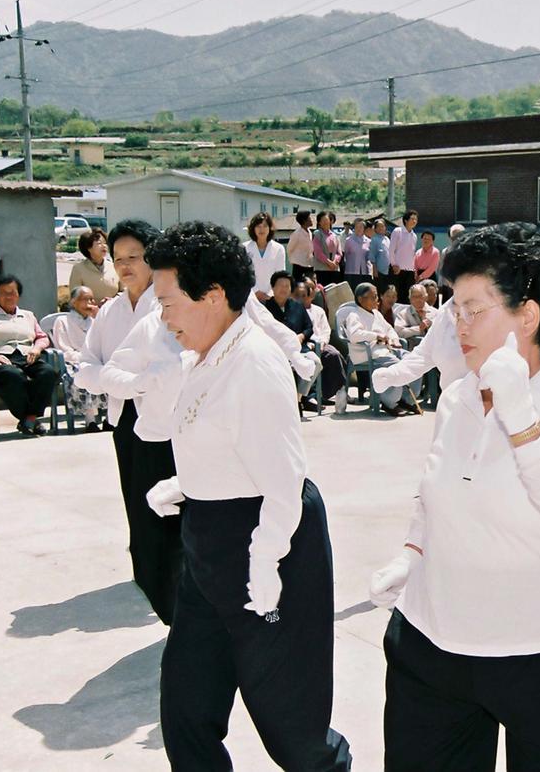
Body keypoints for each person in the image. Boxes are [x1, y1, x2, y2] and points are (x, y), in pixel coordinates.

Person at [368, 222, 540, 772]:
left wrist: (522, 417)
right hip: (436, 642)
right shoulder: (456, 398)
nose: (459, 325)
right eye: (455, 309)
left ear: (527, 316)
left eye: (474, 309)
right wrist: (410, 555)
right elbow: (434, 493)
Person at [140, 221, 352, 770]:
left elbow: (283, 479)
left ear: (212, 298)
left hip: (267, 541)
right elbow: (220, 440)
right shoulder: (208, 353)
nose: (162, 317)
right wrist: (188, 486)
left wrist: (264, 562)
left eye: (167, 302)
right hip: (209, 546)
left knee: (293, 728)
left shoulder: (254, 364)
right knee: (186, 706)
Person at [74, 219, 181, 624]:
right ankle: (150, 582)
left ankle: (175, 592)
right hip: (125, 417)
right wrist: (126, 383)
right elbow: (85, 366)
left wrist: (119, 380)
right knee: (137, 503)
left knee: (169, 505)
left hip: (168, 421)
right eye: (117, 259)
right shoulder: (111, 313)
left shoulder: (168, 304)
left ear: (152, 259)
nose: (125, 266)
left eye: (134, 257)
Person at [0, 275, 57, 436]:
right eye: (4, 293)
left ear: (18, 294)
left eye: (13, 292)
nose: (9, 297)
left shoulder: (28, 315)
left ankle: (29, 418)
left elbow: (42, 337)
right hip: (0, 357)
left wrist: (36, 349)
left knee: (48, 372)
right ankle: (29, 419)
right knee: (13, 375)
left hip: (27, 356)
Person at [343, 283, 419, 416]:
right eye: (372, 297)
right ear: (361, 299)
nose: (376, 299)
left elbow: (389, 329)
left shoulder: (376, 313)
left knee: (414, 361)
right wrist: (376, 336)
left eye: (376, 296)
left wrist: (394, 340)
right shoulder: (353, 315)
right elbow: (354, 335)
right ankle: (389, 401)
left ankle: (406, 399)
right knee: (397, 367)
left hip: (387, 349)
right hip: (371, 353)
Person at [50, 286, 108, 429]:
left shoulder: (94, 321)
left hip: (94, 359)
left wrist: (99, 317)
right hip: (72, 361)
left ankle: (109, 418)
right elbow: (63, 348)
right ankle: (90, 420)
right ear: (74, 302)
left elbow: (103, 343)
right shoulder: (62, 321)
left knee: (109, 371)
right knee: (85, 371)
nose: (90, 303)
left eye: (92, 299)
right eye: (86, 299)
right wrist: (83, 357)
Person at [265, 271, 323, 409]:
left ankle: (297, 397)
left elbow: (309, 327)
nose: (284, 289)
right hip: (275, 350)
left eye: (287, 285)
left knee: (316, 362)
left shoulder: (297, 306)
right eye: (280, 285)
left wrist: (302, 336)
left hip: (298, 348)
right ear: (273, 287)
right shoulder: (265, 307)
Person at [298, 279, 350, 412]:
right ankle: (309, 397)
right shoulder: (295, 310)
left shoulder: (318, 310)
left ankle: (332, 392)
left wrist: (322, 342)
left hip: (320, 343)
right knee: (312, 360)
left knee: (334, 355)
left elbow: (326, 331)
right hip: (306, 345)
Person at [242, 211, 287, 303]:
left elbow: (280, 275)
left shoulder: (278, 248)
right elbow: (243, 274)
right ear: (253, 228)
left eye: (265, 226)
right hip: (249, 297)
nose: (261, 229)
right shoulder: (244, 248)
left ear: (270, 228)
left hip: (272, 297)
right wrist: (256, 292)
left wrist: (269, 294)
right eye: (258, 226)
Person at [68, 229, 120, 305]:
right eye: (99, 243)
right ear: (88, 248)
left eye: (105, 243)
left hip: (113, 310)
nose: (104, 246)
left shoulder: (114, 266)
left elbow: (125, 290)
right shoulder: (78, 269)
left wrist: (113, 300)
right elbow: (75, 296)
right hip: (89, 313)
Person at [389, 210, 419, 302]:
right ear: (405, 220)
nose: (414, 221)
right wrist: (393, 264)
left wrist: (414, 269)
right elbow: (391, 250)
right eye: (412, 219)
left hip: (410, 271)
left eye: (416, 219)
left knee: (408, 297)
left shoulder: (414, 236)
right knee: (397, 295)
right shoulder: (398, 231)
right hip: (398, 269)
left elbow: (412, 254)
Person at [312, 210, 344, 286]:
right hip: (321, 269)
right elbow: (318, 252)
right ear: (319, 222)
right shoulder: (317, 234)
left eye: (327, 220)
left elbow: (339, 252)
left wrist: (335, 262)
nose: (325, 222)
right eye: (322, 220)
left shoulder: (335, 235)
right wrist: (329, 263)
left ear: (330, 221)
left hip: (334, 269)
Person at [342, 218, 371, 293]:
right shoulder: (349, 240)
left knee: (364, 293)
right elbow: (345, 255)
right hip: (352, 271)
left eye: (361, 227)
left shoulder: (368, 241)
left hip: (365, 272)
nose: (359, 229)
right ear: (354, 228)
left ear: (364, 228)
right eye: (357, 227)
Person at [437, 223, 463, 302]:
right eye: (454, 237)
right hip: (448, 286)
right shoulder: (446, 251)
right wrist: (440, 285)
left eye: (459, 236)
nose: (456, 239)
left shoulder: (467, 252)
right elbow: (441, 269)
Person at [287, 209, 315, 281]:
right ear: (304, 221)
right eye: (309, 218)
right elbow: (289, 248)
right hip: (299, 265)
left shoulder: (309, 232)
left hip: (309, 264)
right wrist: (295, 260)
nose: (311, 220)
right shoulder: (297, 234)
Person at [368, 217, 392, 293]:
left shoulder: (387, 239)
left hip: (388, 270)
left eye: (382, 226)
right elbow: (372, 255)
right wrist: (375, 270)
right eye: (378, 226)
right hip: (379, 271)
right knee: (379, 290)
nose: (381, 228)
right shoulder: (374, 239)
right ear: (375, 229)